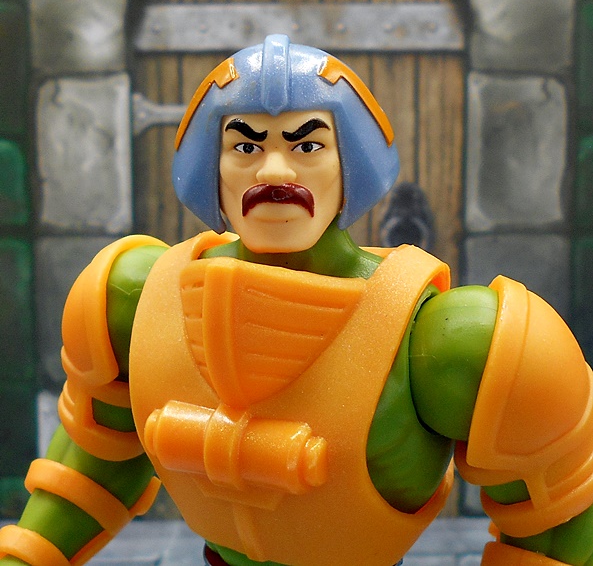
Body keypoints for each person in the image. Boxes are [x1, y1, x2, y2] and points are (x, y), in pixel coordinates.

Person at [1, 34, 592, 566]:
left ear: (350, 162)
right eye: (245, 147)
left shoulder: (457, 341)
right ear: (211, 166)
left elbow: (557, 528)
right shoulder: (134, 298)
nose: (274, 171)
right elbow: (91, 469)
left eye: (307, 146)